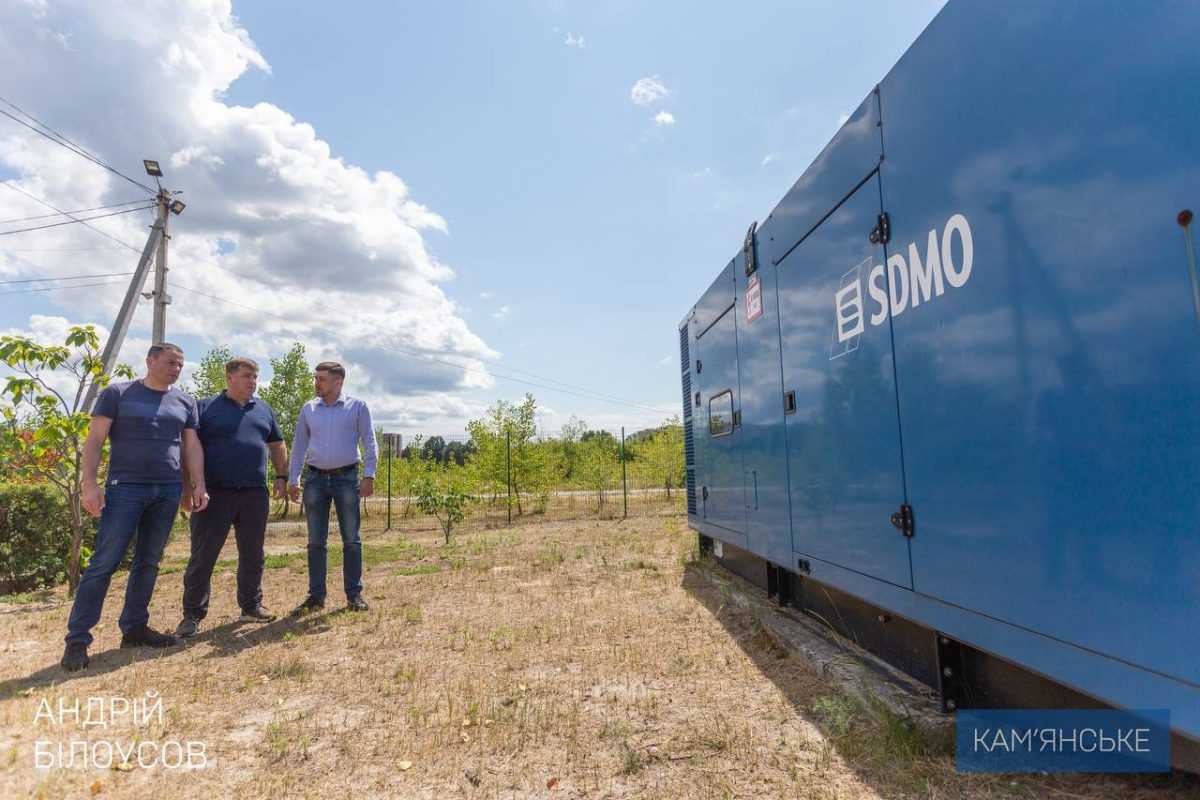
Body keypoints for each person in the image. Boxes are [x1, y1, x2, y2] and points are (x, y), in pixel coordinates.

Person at [61, 343, 207, 672]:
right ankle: (78, 638)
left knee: (149, 562)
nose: (176, 368)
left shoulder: (185, 401)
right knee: (104, 563)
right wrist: (89, 484)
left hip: (167, 490)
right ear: (151, 360)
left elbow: (191, 446)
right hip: (125, 488)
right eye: (171, 362)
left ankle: (135, 628)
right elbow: (95, 440)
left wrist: (195, 485)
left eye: (180, 364)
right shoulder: (118, 393)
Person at [175, 357, 289, 638]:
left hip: (254, 493)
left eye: (255, 376)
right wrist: (187, 488)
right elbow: (187, 447)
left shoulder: (263, 408)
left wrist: (281, 476)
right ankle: (192, 615)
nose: (253, 381)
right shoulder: (204, 407)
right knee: (203, 555)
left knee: (253, 553)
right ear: (229, 377)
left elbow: (276, 444)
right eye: (247, 375)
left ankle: (251, 605)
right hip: (214, 493)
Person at [287, 361, 377, 614]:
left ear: (338, 382)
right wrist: (294, 479)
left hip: (346, 479)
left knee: (351, 539)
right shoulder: (309, 409)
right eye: (316, 378)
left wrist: (369, 475)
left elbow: (370, 442)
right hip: (315, 480)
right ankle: (316, 596)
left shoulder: (357, 407)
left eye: (321, 379)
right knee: (316, 541)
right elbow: (299, 446)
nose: (316, 383)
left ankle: (354, 595)